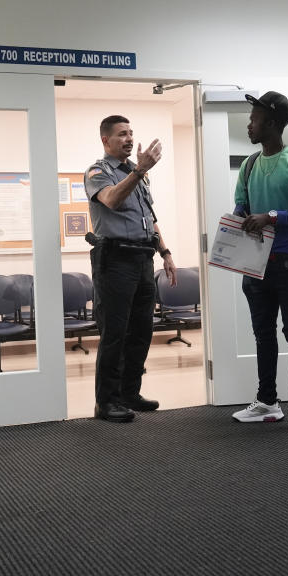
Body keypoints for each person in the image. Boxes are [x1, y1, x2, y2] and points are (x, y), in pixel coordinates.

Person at [229, 91, 288, 433]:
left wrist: (270, 217)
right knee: (263, 333)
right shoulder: (251, 164)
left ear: (270, 123)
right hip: (255, 262)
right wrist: (238, 219)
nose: (249, 124)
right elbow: (240, 203)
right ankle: (268, 401)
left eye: (253, 119)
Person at [85, 115, 177, 423]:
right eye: (122, 134)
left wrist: (165, 251)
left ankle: (129, 393)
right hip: (115, 260)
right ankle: (106, 402)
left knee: (142, 330)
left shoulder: (138, 176)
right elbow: (111, 200)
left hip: (142, 259)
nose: (128, 139)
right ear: (105, 140)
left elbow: (149, 218)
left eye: (131, 133)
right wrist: (138, 171)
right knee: (115, 333)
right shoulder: (99, 172)